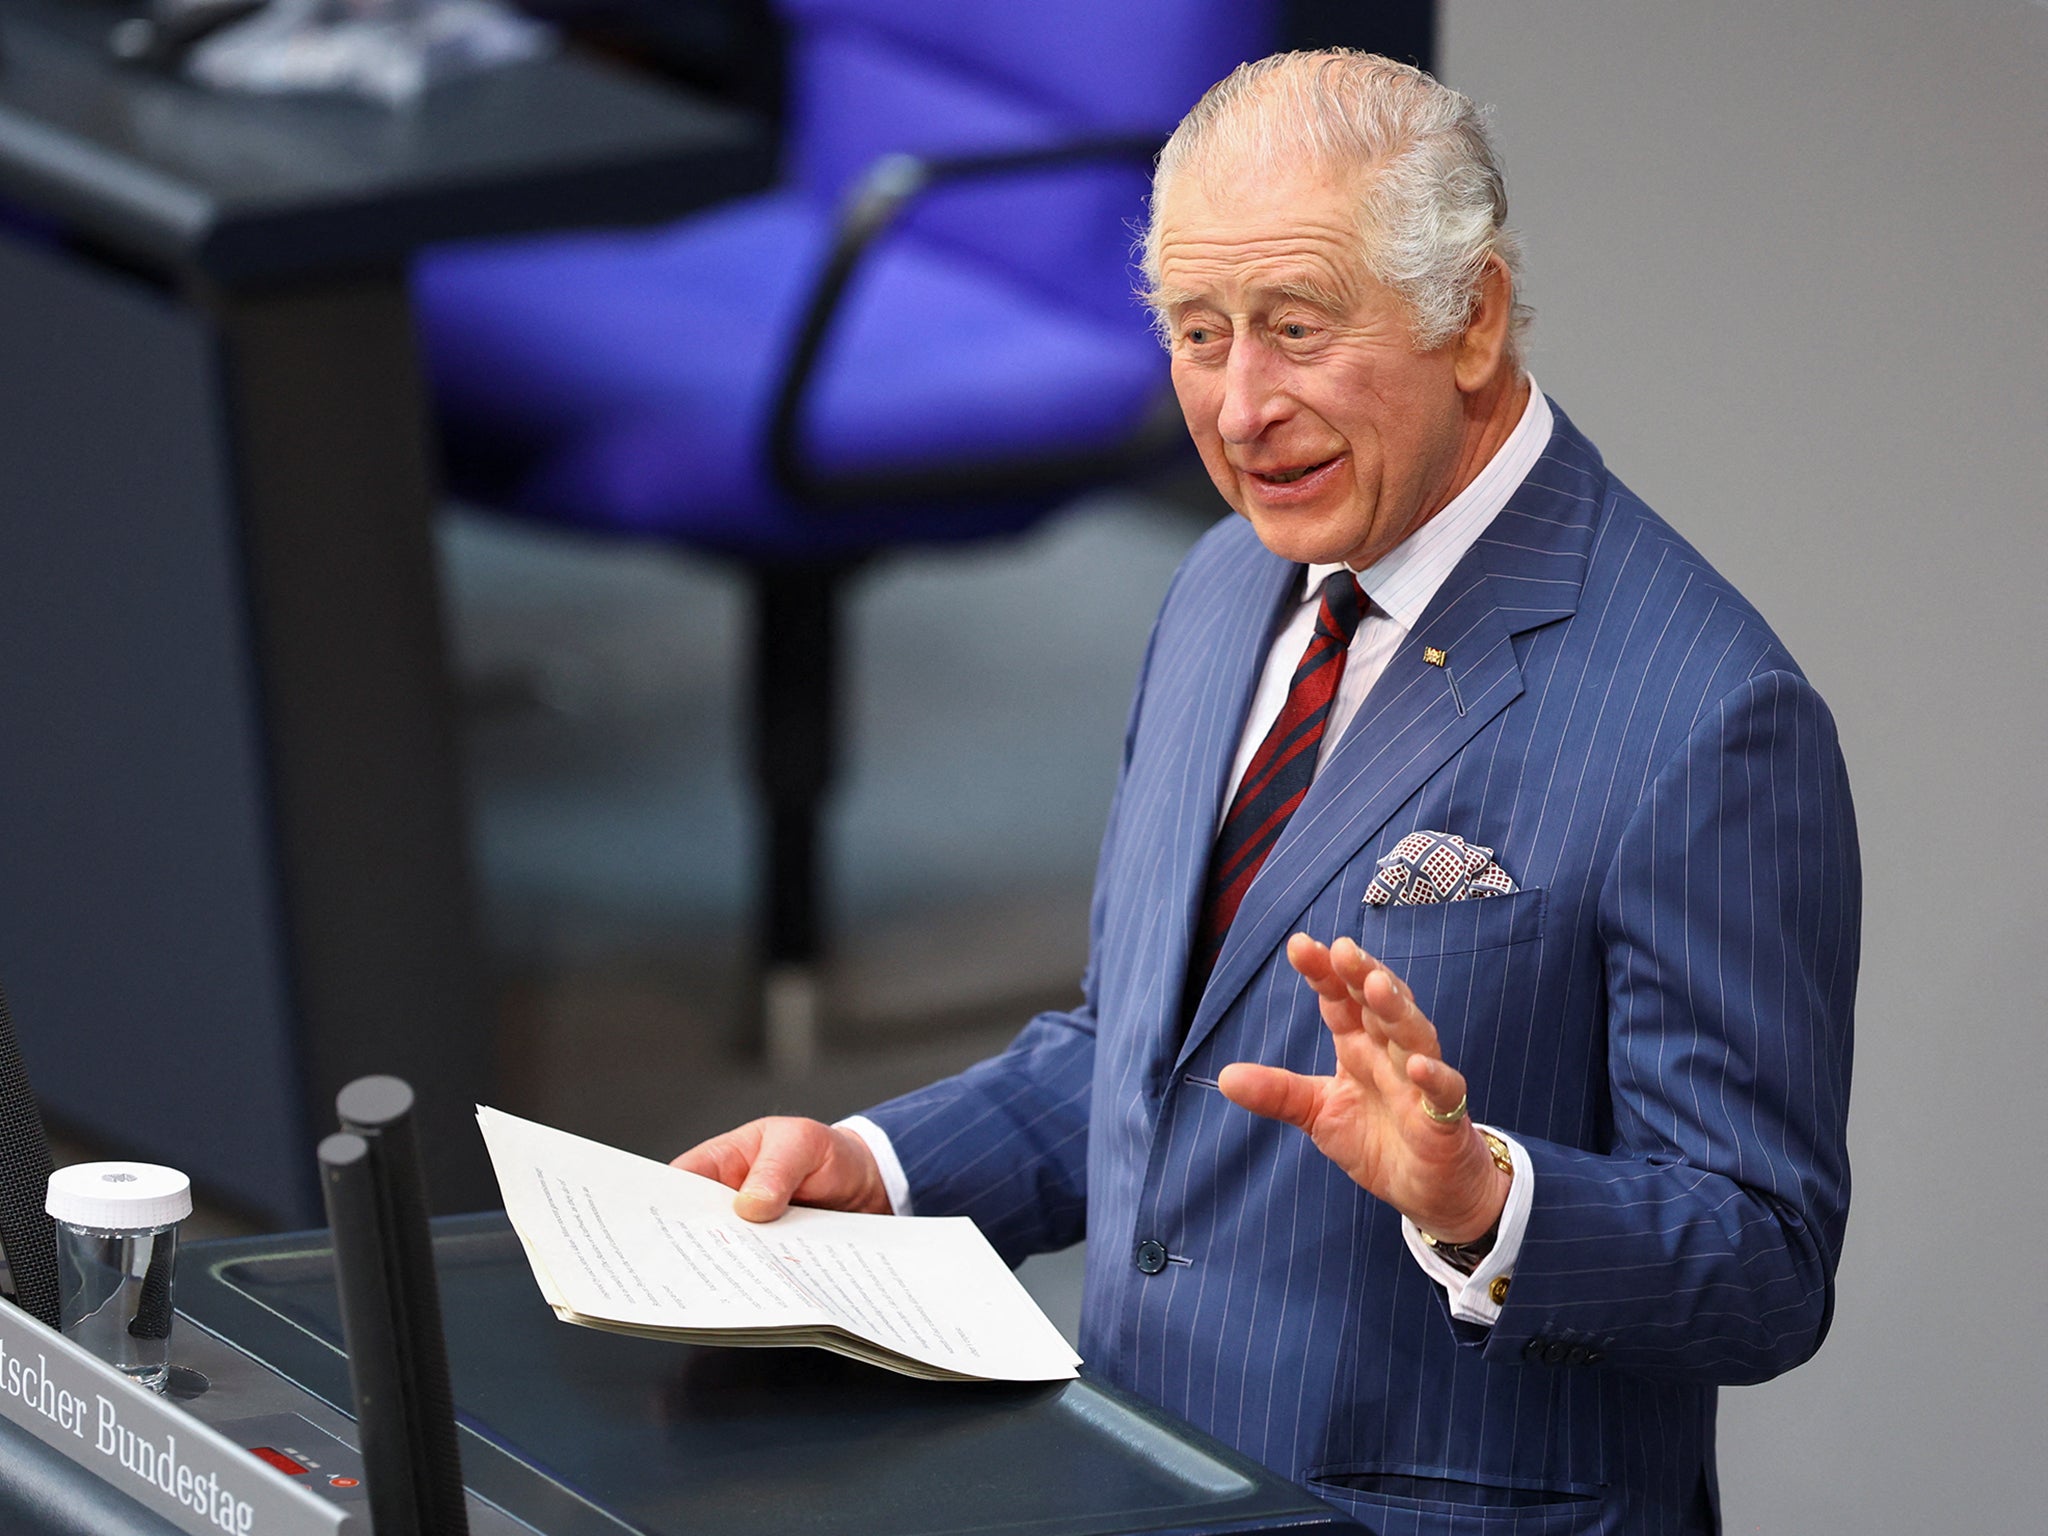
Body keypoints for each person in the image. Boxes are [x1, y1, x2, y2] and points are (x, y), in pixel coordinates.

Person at [677, 50, 1858, 1536]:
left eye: (1297, 331)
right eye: (1197, 333)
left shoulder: (1707, 715)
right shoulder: (1232, 579)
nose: (1240, 410)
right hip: (1136, 1479)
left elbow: (1762, 1267)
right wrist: (881, 1165)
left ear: (1472, 317)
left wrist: (1479, 1193)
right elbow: (1135, 1054)